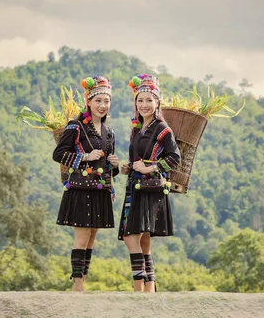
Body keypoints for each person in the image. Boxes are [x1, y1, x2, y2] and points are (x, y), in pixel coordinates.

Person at [53, 75, 119, 292]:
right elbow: (59, 153)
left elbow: (109, 168)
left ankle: (83, 282)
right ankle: (78, 286)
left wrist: (114, 164)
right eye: (98, 101)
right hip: (80, 189)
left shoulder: (110, 133)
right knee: (81, 238)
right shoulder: (75, 127)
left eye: (106, 101)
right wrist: (85, 157)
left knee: (91, 239)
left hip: (100, 190)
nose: (102, 105)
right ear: (88, 101)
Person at [118, 74, 181, 292]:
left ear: (157, 102)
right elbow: (137, 157)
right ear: (135, 103)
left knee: (129, 236)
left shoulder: (162, 128)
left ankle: (138, 288)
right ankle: (150, 288)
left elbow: (174, 157)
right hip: (134, 186)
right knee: (143, 239)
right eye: (140, 100)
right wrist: (128, 166)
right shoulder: (137, 129)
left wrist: (149, 168)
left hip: (150, 189)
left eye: (148, 100)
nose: (144, 105)